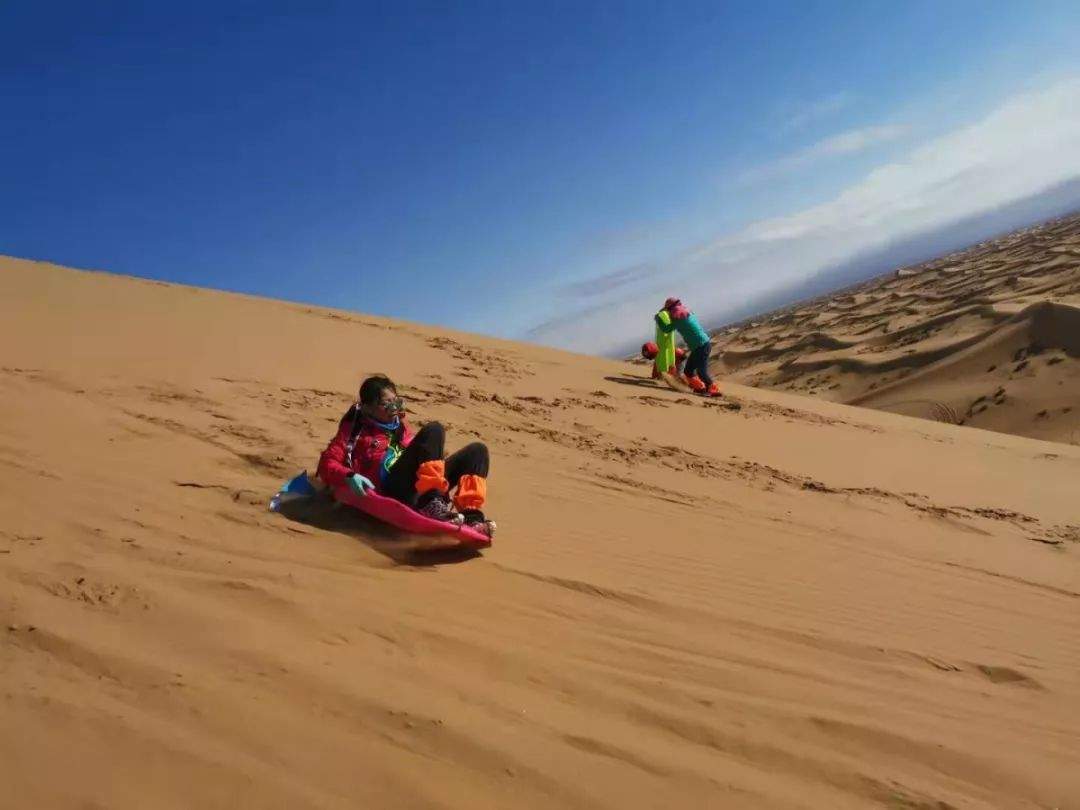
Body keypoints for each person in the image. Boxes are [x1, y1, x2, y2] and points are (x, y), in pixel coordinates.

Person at [316, 374, 495, 536]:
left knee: (477, 451)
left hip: (416, 482)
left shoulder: (399, 424)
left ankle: (472, 518)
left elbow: (411, 451)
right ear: (367, 408)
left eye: (396, 402)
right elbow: (327, 463)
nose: (394, 408)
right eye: (386, 404)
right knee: (434, 429)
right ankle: (430, 502)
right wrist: (349, 476)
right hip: (392, 487)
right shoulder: (354, 431)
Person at [654, 297, 720, 396]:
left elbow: (666, 329)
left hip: (702, 346)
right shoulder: (685, 313)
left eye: (668, 310)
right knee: (688, 371)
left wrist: (658, 319)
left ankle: (713, 389)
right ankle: (700, 388)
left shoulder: (677, 317)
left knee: (701, 371)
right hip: (700, 346)